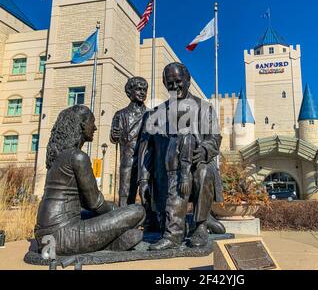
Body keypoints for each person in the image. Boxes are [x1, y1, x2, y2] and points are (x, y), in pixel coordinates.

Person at [35, 105, 145, 256]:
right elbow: (96, 203)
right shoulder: (77, 157)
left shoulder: (57, 157)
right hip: (63, 237)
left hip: (45, 237)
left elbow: (86, 203)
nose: (94, 128)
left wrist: (113, 211)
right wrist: (119, 212)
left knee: (131, 233)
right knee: (137, 211)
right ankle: (111, 242)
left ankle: (113, 242)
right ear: (81, 125)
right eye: (92, 122)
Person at [138, 62, 224, 251]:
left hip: (196, 165)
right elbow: (147, 150)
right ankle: (178, 228)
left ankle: (200, 225)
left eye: (178, 81)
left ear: (188, 81)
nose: (175, 86)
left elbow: (214, 138)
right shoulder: (156, 114)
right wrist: (143, 179)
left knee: (203, 172)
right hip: (166, 171)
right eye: (170, 83)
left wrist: (204, 150)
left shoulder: (204, 108)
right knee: (174, 177)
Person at [110, 77, 148, 207]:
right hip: (128, 159)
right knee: (126, 193)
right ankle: (124, 221)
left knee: (147, 193)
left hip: (147, 160)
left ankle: (149, 221)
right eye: (138, 89)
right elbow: (115, 138)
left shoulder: (151, 114)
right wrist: (114, 135)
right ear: (129, 92)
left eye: (144, 90)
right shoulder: (120, 115)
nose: (142, 92)